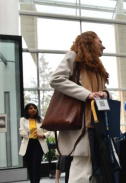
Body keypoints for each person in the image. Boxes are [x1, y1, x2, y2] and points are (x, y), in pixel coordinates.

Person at [50, 31, 110, 183]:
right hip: (82, 123)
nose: (103, 46)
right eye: (100, 41)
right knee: (82, 169)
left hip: (97, 123)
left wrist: (105, 94)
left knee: (94, 168)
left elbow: (100, 92)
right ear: (89, 41)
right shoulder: (73, 57)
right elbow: (56, 79)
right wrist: (86, 94)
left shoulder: (98, 68)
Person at [19, 103, 50, 183]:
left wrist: (42, 135)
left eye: (35, 108)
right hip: (28, 144)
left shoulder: (41, 119)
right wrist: (26, 134)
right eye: (31, 108)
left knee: (36, 165)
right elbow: (21, 131)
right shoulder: (23, 120)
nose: (33, 110)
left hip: (38, 144)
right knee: (30, 165)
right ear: (27, 110)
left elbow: (48, 131)